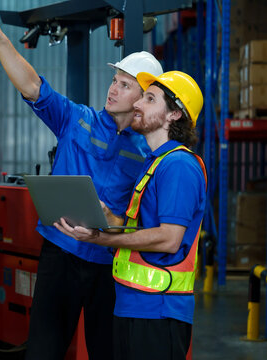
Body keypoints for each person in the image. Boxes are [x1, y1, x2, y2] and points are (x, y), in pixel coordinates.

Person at [0, 1, 163, 359]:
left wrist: (116, 222)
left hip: (109, 264)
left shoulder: (149, 152)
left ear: (143, 99)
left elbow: (150, 220)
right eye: (114, 80)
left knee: (107, 351)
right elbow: (32, 86)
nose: (113, 89)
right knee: (44, 350)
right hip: (60, 254)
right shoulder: (77, 119)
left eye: (124, 85)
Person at [55, 70, 207, 360]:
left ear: (174, 115)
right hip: (131, 304)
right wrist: (108, 220)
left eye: (150, 99)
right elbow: (141, 227)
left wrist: (99, 239)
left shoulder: (178, 166)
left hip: (158, 311)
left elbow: (169, 239)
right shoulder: (155, 163)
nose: (138, 104)